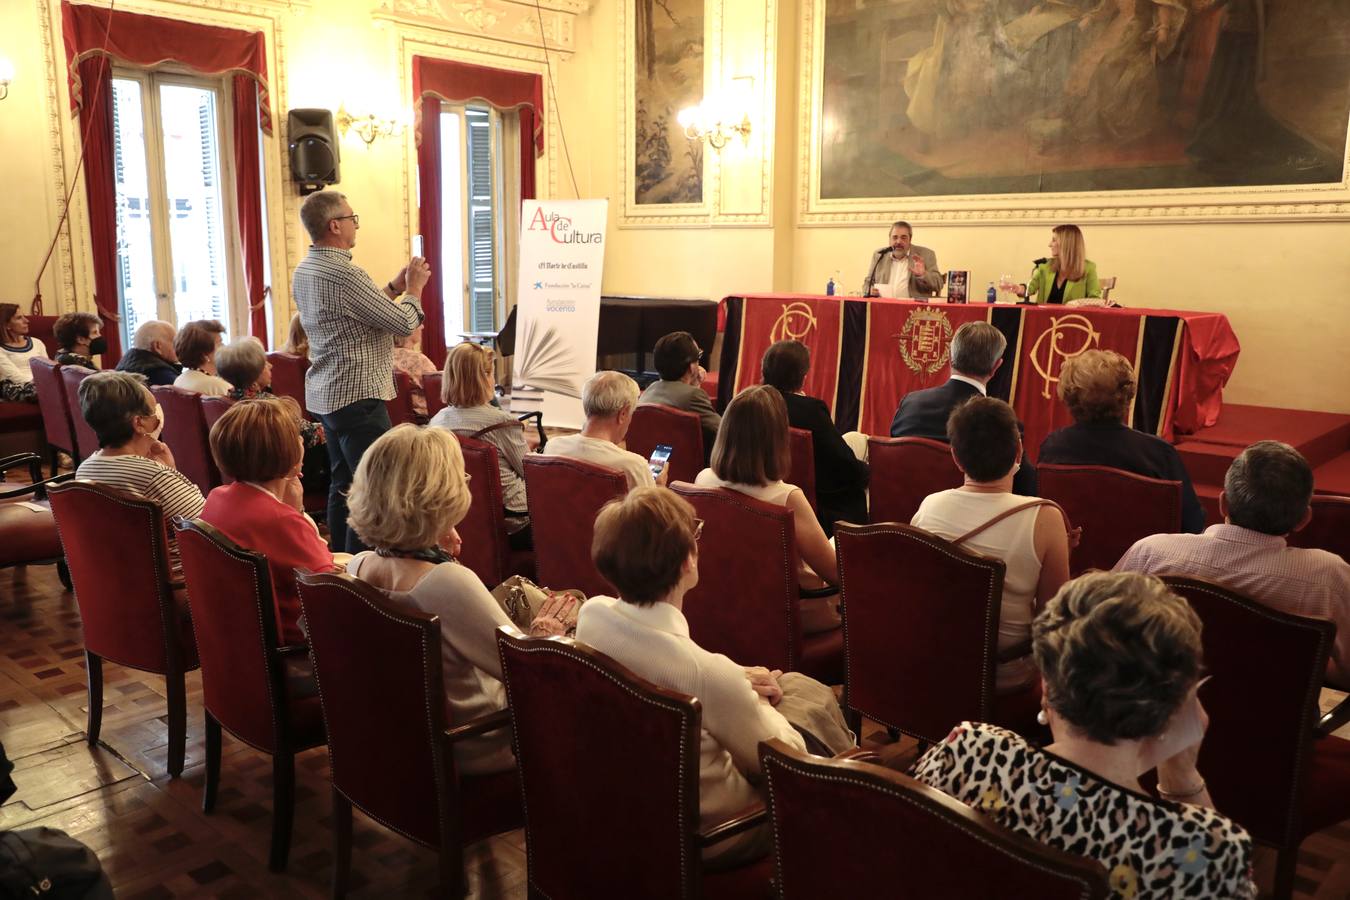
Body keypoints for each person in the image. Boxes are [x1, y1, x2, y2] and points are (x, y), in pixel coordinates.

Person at [913, 571, 1257, 900]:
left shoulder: (969, 752)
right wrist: (1182, 776)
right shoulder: (1207, 850)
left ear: (1046, 686)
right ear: (1172, 713)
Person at [577, 486, 817, 869]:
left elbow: (661, 659)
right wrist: (749, 695)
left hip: (629, 811)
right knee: (808, 707)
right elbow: (790, 759)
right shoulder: (706, 675)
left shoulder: (592, 616)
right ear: (688, 561)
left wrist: (737, 677)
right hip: (713, 834)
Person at [345, 425, 576, 775]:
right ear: (437, 497)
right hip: (473, 744)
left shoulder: (359, 566)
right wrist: (547, 631)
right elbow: (527, 670)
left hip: (400, 739)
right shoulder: (446, 582)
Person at [1116, 440, 1350, 686]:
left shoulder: (1152, 553)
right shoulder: (1328, 578)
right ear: (1303, 520)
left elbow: (1099, 628)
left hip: (1158, 713)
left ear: (1223, 503)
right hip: (1275, 721)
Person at [292, 190, 430, 553]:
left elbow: (363, 312)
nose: (356, 225)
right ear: (334, 225)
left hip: (328, 392)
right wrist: (414, 289)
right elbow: (402, 324)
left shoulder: (306, 268)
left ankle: (341, 559)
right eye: (352, 218)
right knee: (374, 489)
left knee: (345, 484)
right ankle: (361, 571)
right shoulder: (344, 272)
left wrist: (395, 287)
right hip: (358, 396)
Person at [910, 396, 1072, 694]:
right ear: (1019, 452)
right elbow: (1052, 619)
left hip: (936, 663)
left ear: (956, 456)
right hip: (1005, 674)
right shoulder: (1045, 517)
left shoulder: (929, 506)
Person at [695, 385, 840, 632]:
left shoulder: (703, 479)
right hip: (789, 613)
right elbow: (838, 576)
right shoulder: (787, 497)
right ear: (778, 439)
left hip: (729, 603)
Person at [200, 396, 337, 645]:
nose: (300, 441)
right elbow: (327, 584)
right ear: (287, 452)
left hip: (238, 637)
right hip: (295, 640)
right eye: (296, 436)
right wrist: (296, 515)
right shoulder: (280, 520)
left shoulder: (216, 498)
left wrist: (293, 510)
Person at [1039, 350, 1205, 533]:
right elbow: (1192, 524)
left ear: (1069, 397)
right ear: (1127, 394)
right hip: (1143, 560)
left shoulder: (1053, 447)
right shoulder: (1158, 453)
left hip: (1068, 556)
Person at [890, 321, 1036, 495]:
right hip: (968, 520)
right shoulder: (1001, 423)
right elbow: (1028, 488)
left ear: (950, 358)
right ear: (996, 366)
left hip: (902, 513)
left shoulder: (909, 404)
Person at [761, 339, 869, 536]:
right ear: (803, 378)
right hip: (819, 506)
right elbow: (846, 467)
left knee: (855, 438)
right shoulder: (810, 410)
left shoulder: (753, 401)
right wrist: (868, 472)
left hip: (769, 487)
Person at [429, 342, 530, 546]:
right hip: (513, 520)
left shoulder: (437, 422)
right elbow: (531, 473)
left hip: (461, 515)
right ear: (483, 378)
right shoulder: (501, 423)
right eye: (492, 374)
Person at [73, 371, 205, 522]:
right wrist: (169, 473)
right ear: (139, 423)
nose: (159, 414)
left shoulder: (84, 469)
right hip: (170, 546)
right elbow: (207, 523)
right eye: (154, 410)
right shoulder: (154, 477)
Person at [545, 371, 667, 492]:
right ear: (623, 414)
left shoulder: (553, 448)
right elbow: (650, 511)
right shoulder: (633, 466)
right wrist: (659, 486)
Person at [637, 331, 721, 457]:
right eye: (698, 356)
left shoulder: (648, 391)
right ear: (692, 367)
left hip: (658, 466)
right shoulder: (693, 396)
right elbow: (724, 431)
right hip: (692, 469)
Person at [1013, 224, 1104, 306]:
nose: (1049, 244)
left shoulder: (1088, 268)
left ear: (1066, 243)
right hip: (1044, 318)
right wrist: (1018, 288)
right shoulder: (1045, 266)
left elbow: (1094, 299)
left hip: (1073, 320)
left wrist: (1077, 304)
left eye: (1054, 240)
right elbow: (1030, 288)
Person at [861, 221, 942, 299]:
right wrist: (869, 290)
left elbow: (939, 284)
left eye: (903, 238)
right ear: (889, 240)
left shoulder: (926, 254)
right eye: (895, 237)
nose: (899, 241)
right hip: (883, 307)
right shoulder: (880, 255)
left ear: (910, 239)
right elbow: (867, 283)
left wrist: (923, 275)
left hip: (914, 310)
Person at [0, 303, 47, 400]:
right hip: (14, 386)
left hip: (41, 383)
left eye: (24, 316)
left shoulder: (37, 342)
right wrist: (41, 383)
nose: (27, 321)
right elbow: (15, 376)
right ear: (7, 325)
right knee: (45, 391)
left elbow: (47, 369)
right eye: (19, 318)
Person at [172, 320, 231, 397]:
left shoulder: (179, 380)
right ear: (205, 354)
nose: (224, 347)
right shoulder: (217, 387)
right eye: (220, 343)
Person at [115, 320, 182, 386]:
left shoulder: (122, 368)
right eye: (175, 342)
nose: (178, 347)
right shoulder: (161, 374)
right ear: (157, 346)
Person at [392, 323, 438, 420]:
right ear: (407, 330)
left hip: (393, 419)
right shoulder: (418, 360)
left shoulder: (384, 358)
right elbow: (439, 390)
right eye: (419, 324)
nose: (423, 326)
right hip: (422, 418)